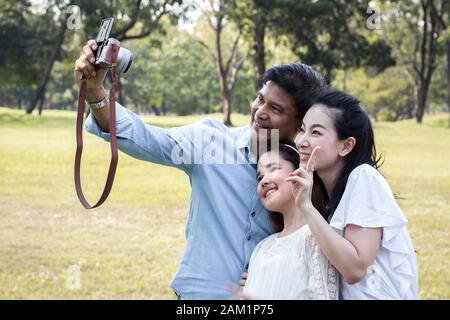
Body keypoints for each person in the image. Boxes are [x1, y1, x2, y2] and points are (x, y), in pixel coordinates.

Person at [73, 39, 325, 299]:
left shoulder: (310, 173)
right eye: (260, 99)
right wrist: (96, 94)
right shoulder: (209, 143)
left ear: (300, 124)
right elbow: (145, 138)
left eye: (275, 108)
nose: (260, 112)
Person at [289, 89, 418, 299]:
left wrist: (306, 207)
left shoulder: (364, 178)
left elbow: (354, 269)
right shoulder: (327, 192)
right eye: (302, 129)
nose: (301, 141)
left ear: (346, 146)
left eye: (316, 132)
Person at [241, 143, 338, 299]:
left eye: (273, 169)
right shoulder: (262, 247)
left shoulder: (317, 237)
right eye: (259, 177)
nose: (264, 180)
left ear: (300, 173)